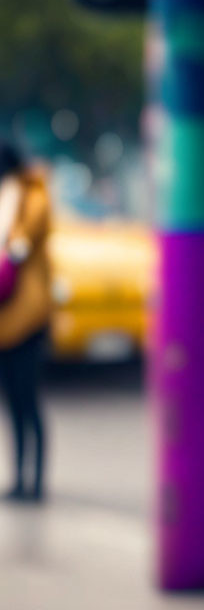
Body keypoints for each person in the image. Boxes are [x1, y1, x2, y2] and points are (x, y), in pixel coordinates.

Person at [0, 139, 51, 502]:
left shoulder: (32, 198)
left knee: (28, 401)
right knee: (13, 404)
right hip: (6, 319)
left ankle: (35, 481)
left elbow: (20, 244)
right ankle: (19, 477)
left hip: (28, 318)